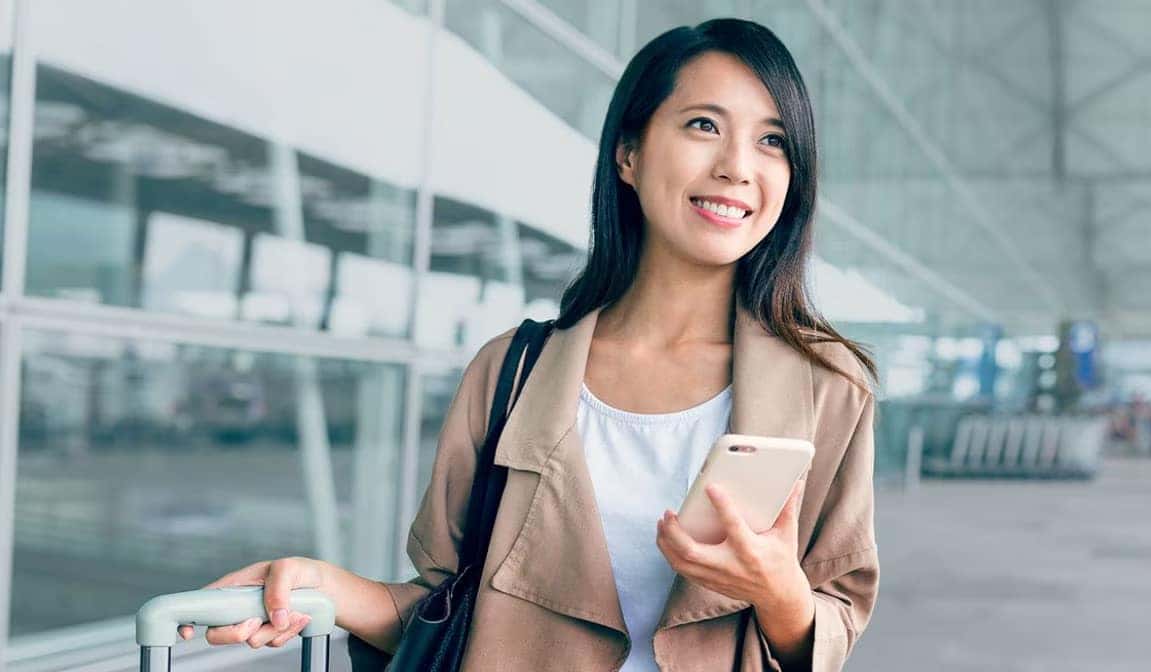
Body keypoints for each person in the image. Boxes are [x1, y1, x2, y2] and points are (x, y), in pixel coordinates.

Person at [179, 18, 879, 671]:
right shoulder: (511, 372)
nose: (737, 166)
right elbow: (447, 613)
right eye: (704, 125)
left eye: (773, 141)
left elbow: (834, 617)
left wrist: (778, 589)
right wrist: (322, 585)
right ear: (628, 155)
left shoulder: (829, 386)